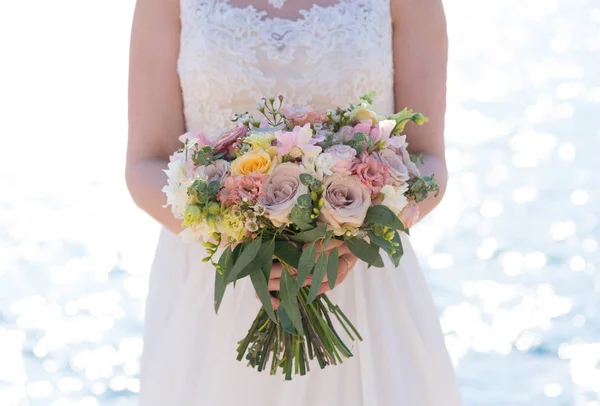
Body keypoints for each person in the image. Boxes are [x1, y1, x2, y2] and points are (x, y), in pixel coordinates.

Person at [126, 0, 463, 403]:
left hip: (359, 277)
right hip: (214, 279)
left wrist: (353, 230)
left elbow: (429, 159)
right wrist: (240, 243)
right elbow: (146, 162)